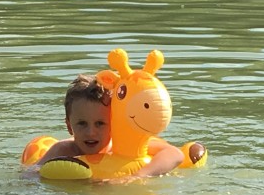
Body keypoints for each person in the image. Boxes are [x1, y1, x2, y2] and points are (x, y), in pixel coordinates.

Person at [36, 74, 184, 178]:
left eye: (100, 123)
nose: (91, 132)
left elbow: (175, 154)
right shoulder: (63, 150)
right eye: (82, 123)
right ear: (69, 126)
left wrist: (138, 175)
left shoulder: (122, 145)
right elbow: (31, 175)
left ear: (114, 123)